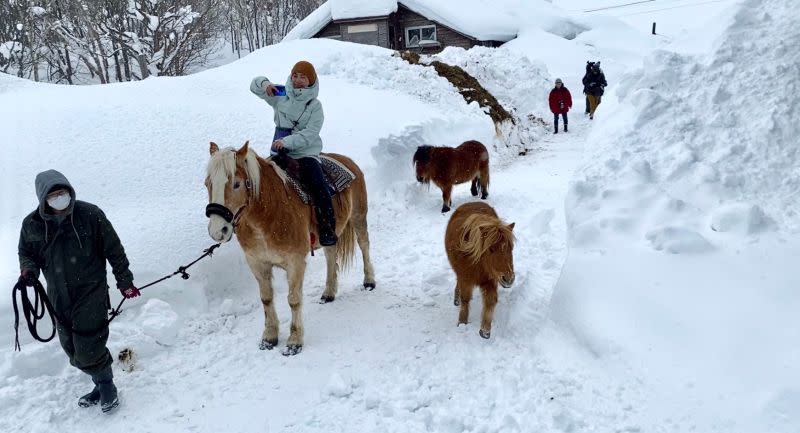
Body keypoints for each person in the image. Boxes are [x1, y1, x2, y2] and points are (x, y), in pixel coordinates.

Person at [17, 169, 139, 414]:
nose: (60, 198)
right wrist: (28, 271)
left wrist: (124, 281)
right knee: (71, 348)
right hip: (57, 296)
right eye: (53, 195)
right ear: (43, 198)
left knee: (88, 347)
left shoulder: (90, 214)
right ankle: (98, 381)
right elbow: (26, 253)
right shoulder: (31, 224)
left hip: (90, 291)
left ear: (70, 191)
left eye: (62, 193)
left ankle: (107, 386)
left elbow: (114, 249)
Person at [249, 60, 337, 246]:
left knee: (319, 186)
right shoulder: (281, 95)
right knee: (257, 182)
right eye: (295, 75)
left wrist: (287, 142)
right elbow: (254, 85)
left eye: (303, 77)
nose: (297, 80)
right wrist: (265, 85)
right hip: (279, 154)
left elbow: (310, 133)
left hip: (305, 154)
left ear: (311, 80)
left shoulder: (315, 106)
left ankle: (326, 228)